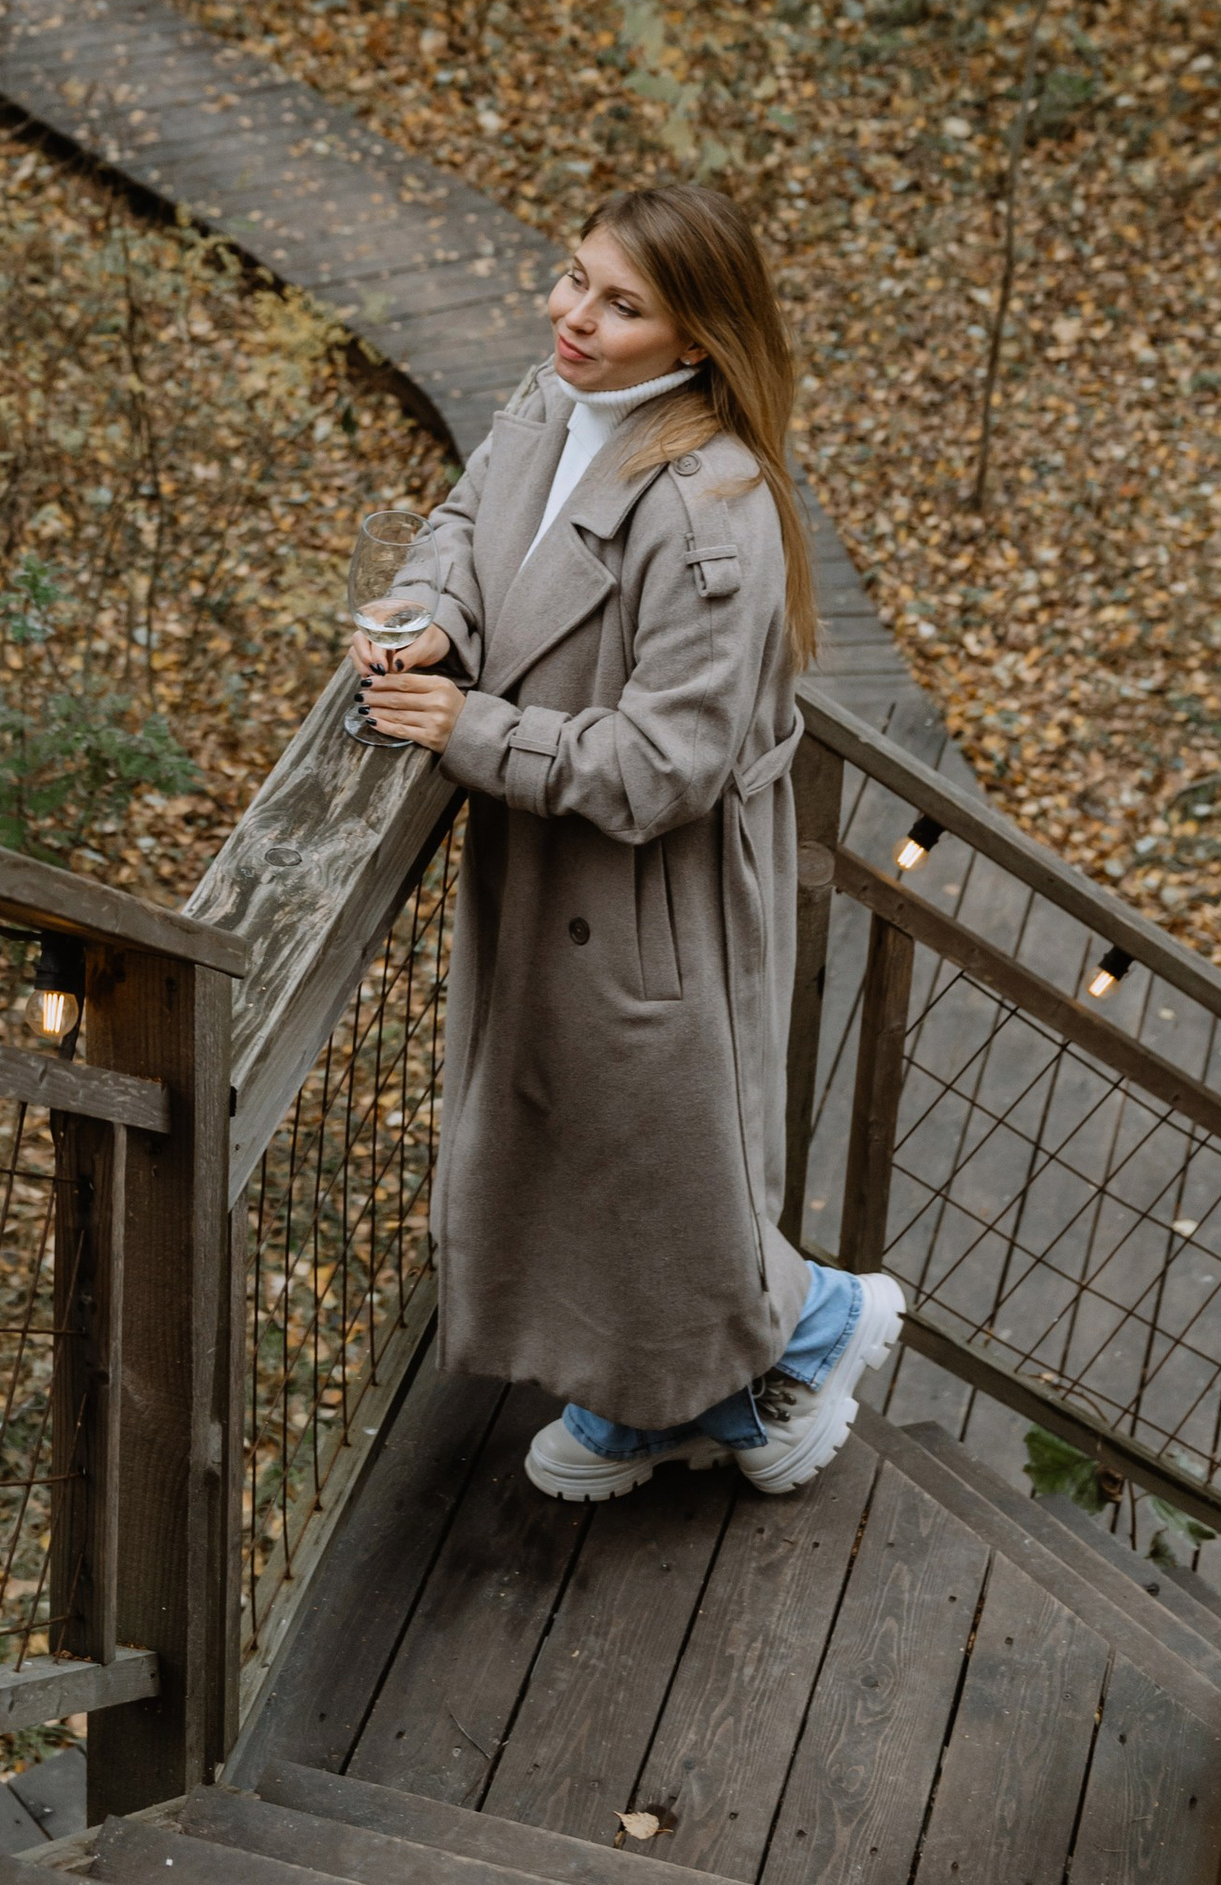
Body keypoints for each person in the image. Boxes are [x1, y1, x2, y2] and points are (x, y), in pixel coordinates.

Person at [353, 177, 899, 1503]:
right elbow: (466, 529)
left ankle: (805, 1328)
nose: (573, 316)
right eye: (573, 278)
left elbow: (673, 764)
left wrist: (470, 727)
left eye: (621, 303)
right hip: (554, 858)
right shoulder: (559, 404)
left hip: (646, 885)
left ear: (698, 338)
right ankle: (664, 1399)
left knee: (648, 1151)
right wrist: (432, 618)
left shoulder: (709, 511)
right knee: (593, 1139)